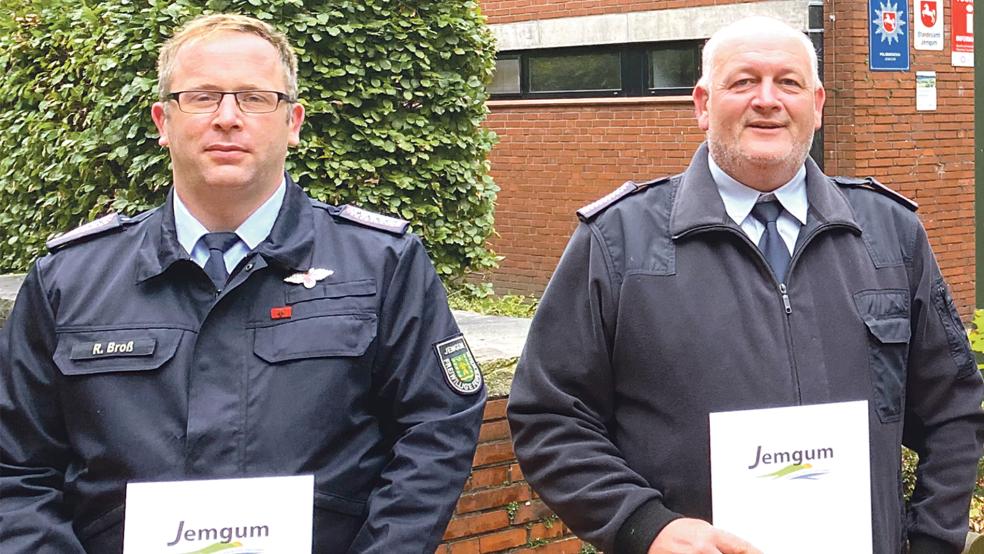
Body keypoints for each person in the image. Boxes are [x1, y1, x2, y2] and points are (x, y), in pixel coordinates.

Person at [0, 14, 485, 553]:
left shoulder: (382, 264)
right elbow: (16, 467)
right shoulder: (68, 279)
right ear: (163, 121)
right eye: (202, 97)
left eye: (255, 98)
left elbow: (435, 431)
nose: (227, 118)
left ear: (293, 122)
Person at [507, 15, 983, 554]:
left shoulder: (890, 233)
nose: (767, 99)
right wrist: (644, 525)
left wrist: (931, 541)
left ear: (817, 104)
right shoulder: (618, 242)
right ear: (703, 104)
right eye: (743, 81)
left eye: (788, 82)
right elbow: (549, 414)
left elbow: (953, 409)